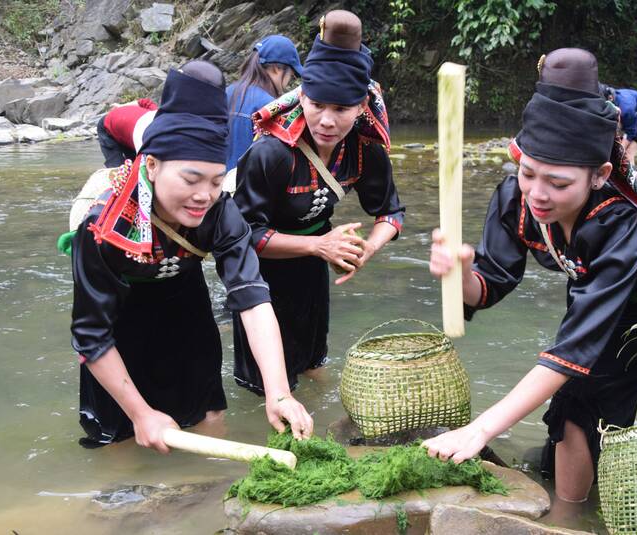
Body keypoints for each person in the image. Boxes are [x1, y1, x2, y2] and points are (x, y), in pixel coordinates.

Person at [423, 49, 637, 506]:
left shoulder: (620, 224)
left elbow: (574, 351)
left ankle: (568, 519)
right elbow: (489, 286)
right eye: (529, 172)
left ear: (599, 175)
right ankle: (579, 481)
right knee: (570, 399)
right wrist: (461, 271)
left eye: (559, 183)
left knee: (580, 398)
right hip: (591, 284)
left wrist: (480, 429)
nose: (538, 194)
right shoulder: (517, 197)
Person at [66, 60, 313, 452]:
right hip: (120, 317)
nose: (204, 195)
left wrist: (279, 392)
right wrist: (140, 413)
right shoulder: (103, 228)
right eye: (190, 179)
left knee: (209, 416)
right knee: (119, 440)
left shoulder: (219, 211)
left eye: (216, 181)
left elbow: (252, 296)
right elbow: (90, 334)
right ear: (152, 164)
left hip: (185, 300)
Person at [231, 10, 405, 395]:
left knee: (313, 366)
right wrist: (319, 245)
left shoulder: (364, 152)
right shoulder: (272, 154)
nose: (326, 120)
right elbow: (243, 236)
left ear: (361, 107)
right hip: (259, 272)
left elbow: (391, 213)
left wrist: (365, 249)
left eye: (341, 110)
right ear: (302, 97)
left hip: (312, 267)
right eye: (317, 105)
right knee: (263, 387)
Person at [226, 35, 303, 171]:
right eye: (291, 75)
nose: (287, 83)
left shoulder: (226, 92)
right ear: (276, 69)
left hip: (216, 185)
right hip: (246, 187)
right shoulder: (271, 107)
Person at [600, 84, 637, 166]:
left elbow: (631, 132)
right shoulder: (611, 99)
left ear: (610, 98)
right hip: (633, 114)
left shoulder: (626, 109)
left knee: (627, 154)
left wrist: (620, 149)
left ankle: (633, 177)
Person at [96, 98, 158, 167]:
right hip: (107, 126)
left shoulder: (158, 113)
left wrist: (122, 106)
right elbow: (142, 168)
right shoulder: (145, 139)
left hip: (126, 128)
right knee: (117, 167)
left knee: (133, 162)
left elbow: (144, 102)